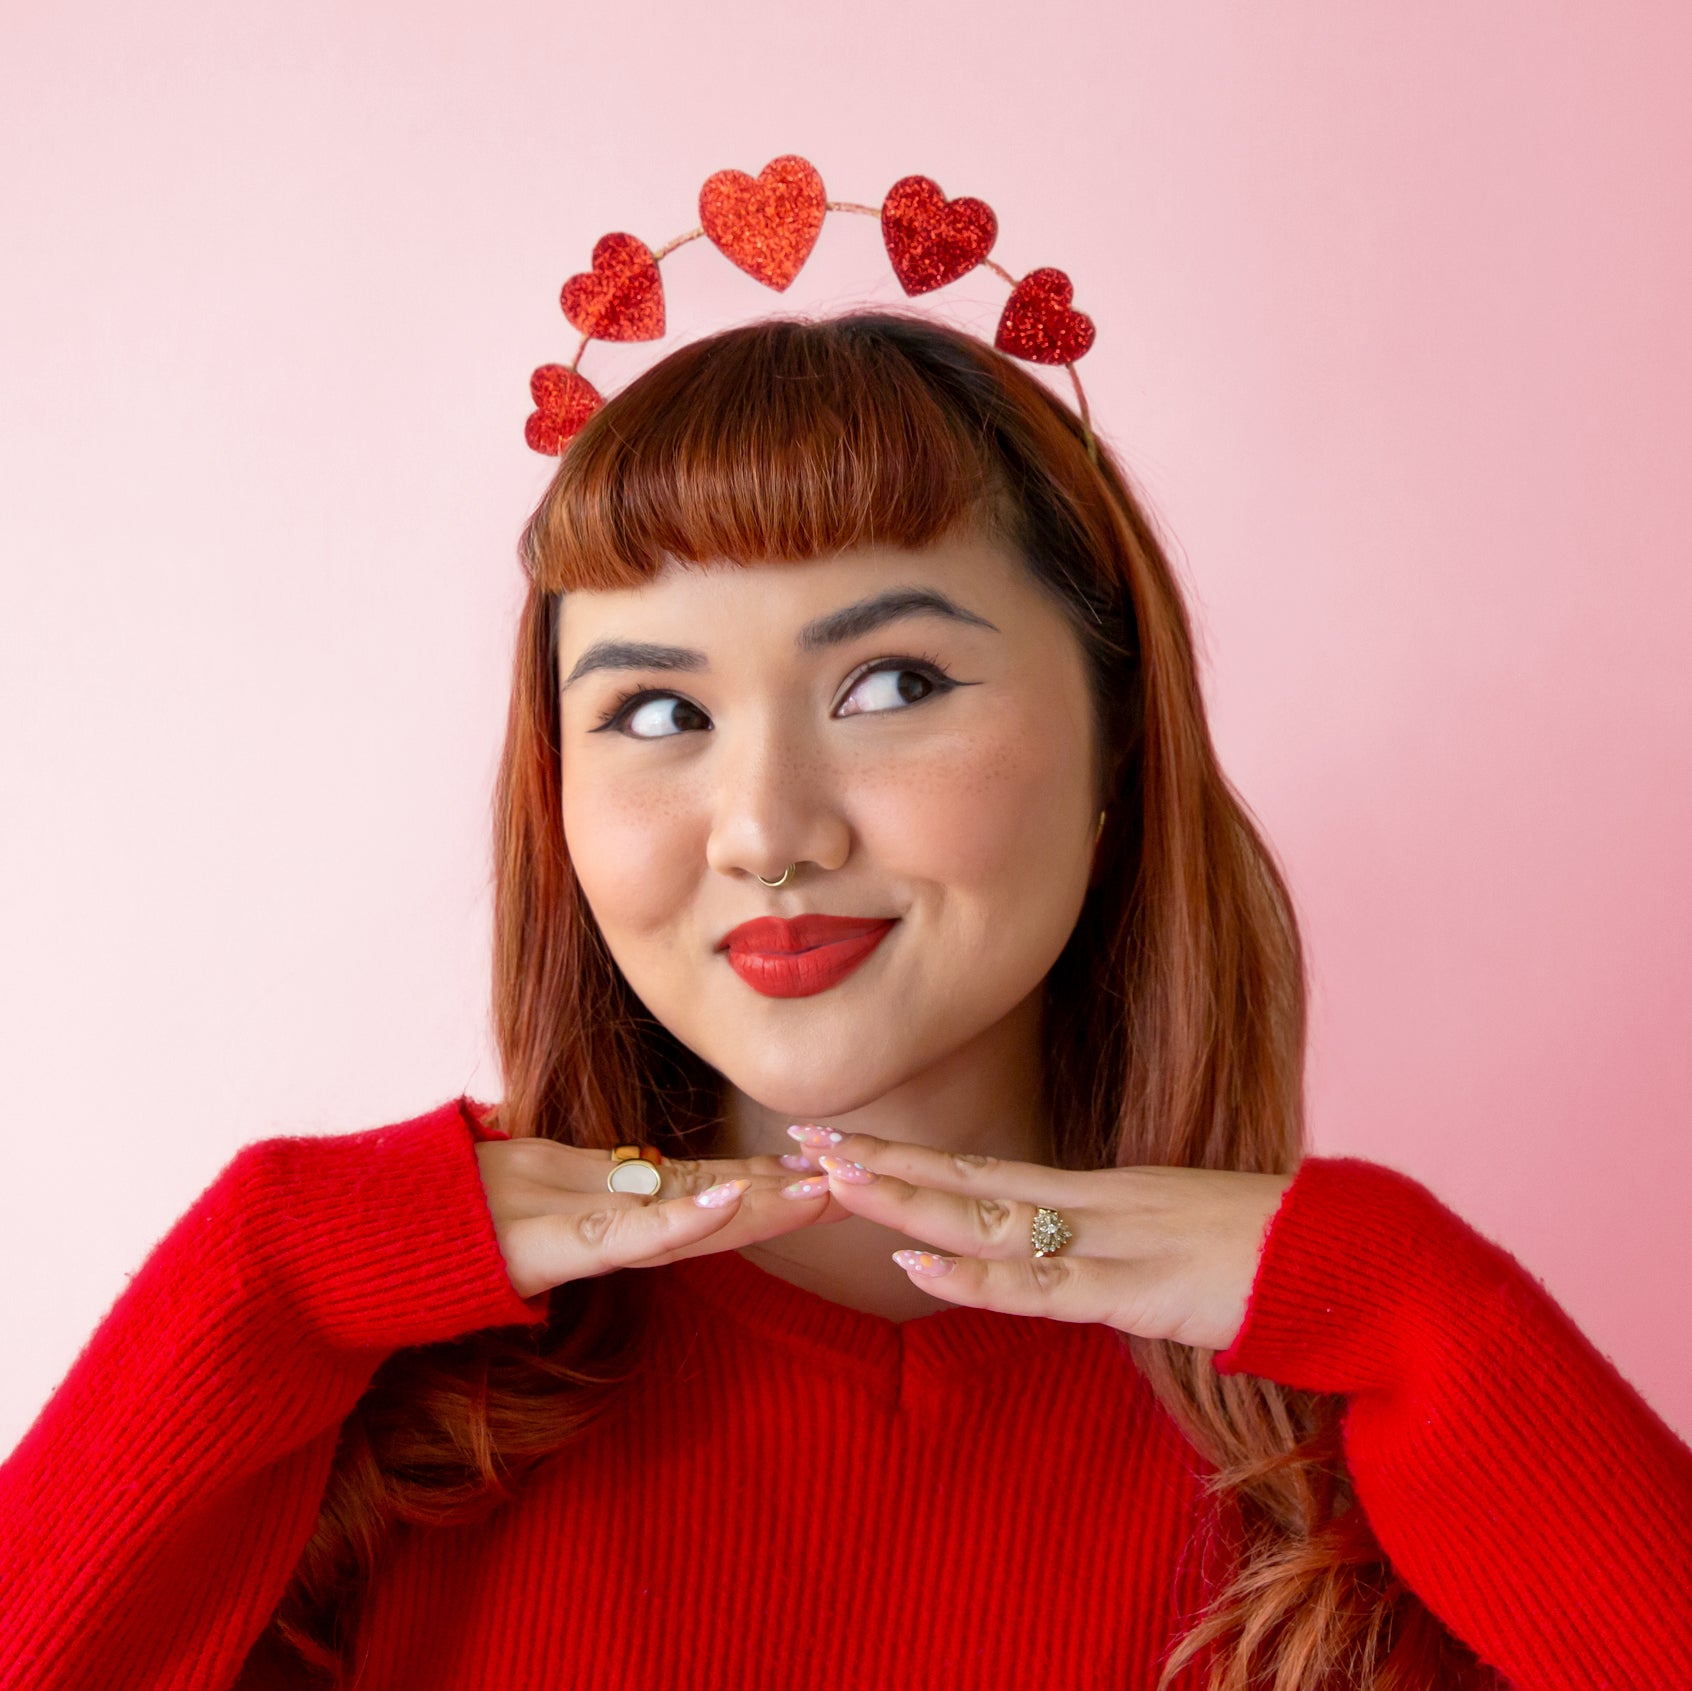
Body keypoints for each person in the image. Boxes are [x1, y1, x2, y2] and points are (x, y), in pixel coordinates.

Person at [2, 313, 1689, 1691]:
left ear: (1118, 747)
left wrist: (1419, 1314)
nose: (766, 832)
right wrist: (268, 1274)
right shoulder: (382, 1428)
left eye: (892, 684)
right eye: (657, 714)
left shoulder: (1387, 1456)